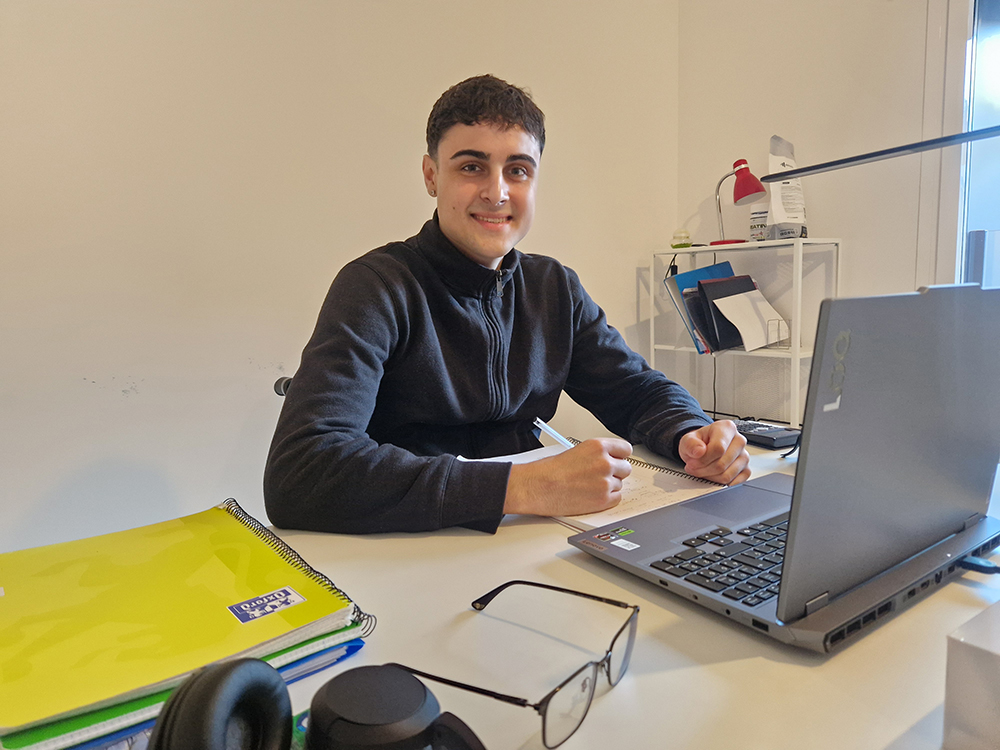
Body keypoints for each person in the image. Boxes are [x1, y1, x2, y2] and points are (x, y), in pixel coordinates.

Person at [264, 74, 750, 535]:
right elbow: (301, 473)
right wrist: (523, 487)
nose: (496, 193)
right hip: (406, 547)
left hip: (521, 545)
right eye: (471, 166)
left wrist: (692, 433)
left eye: (517, 170)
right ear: (432, 175)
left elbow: (636, 391)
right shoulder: (376, 286)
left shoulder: (553, 287)